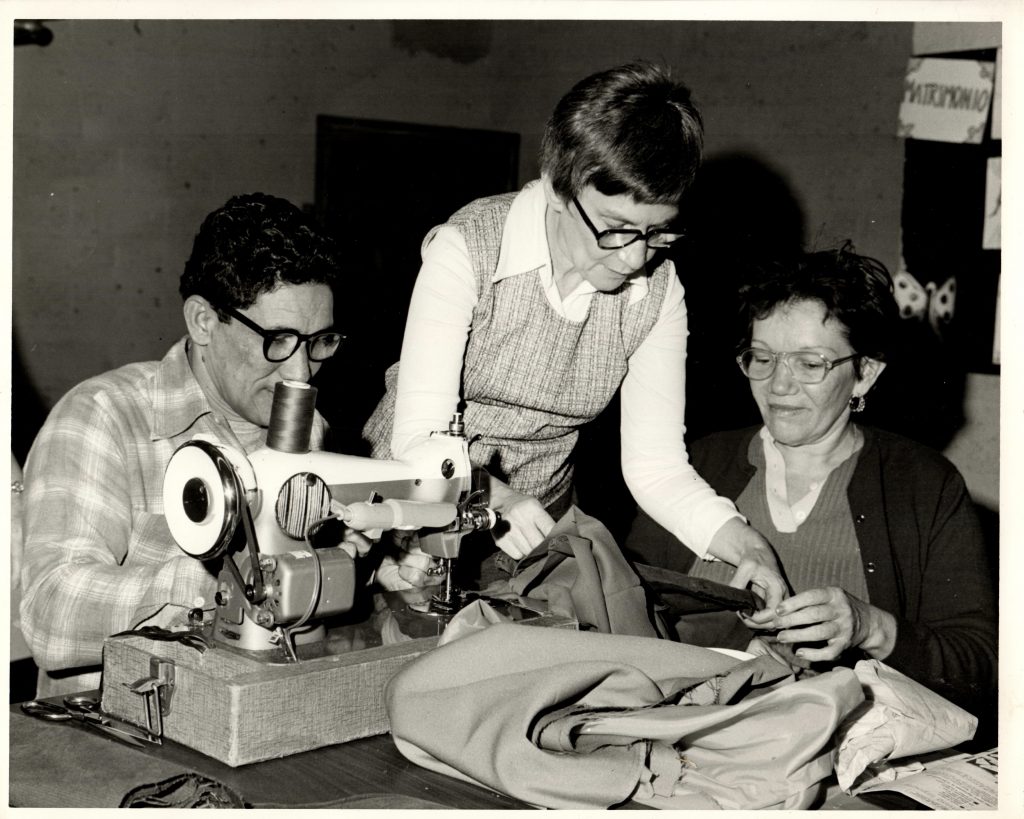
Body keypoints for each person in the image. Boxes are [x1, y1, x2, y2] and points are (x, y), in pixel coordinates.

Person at [363, 62, 786, 606]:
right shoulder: (467, 248)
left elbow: (655, 466)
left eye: (658, 232)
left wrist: (740, 541)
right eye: (614, 228)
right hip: (404, 510)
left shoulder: (659, 292)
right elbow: (418, 436)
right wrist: (497, 498)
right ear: (558, 190)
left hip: (535, 529)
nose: (635, 258)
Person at [19, 193, 396, 697]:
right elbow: (51, 616)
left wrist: (356, 572)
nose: (300, 372)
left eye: (319, 342)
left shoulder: (309, 432)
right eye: (278, 339)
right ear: (202, 321)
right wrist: (218, 587)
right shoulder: (102, 417)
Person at [684, 244, 997, 725]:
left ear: (864, 374)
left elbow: (980, 668)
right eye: (762, 358)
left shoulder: (924, 484)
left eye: (810, 364)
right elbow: (624, 613)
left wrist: (872, 627)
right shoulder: (696, 466)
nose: (778, 385)